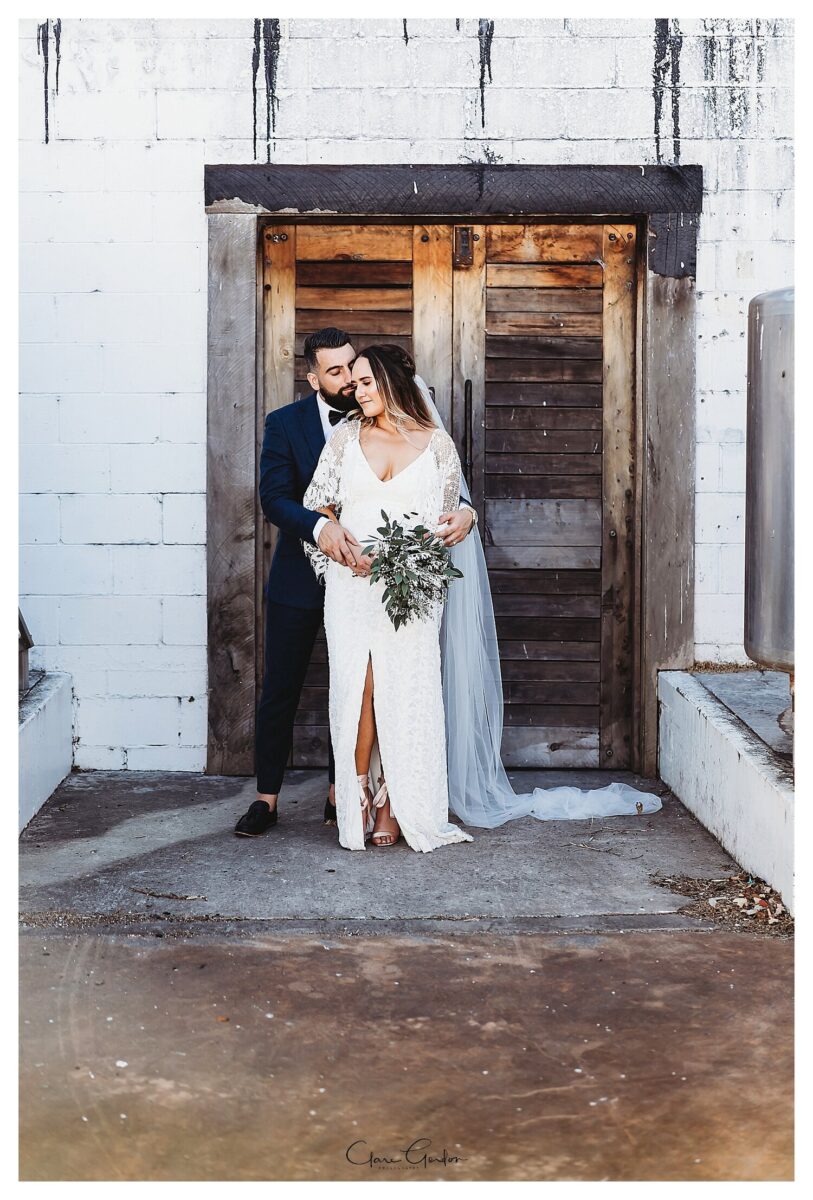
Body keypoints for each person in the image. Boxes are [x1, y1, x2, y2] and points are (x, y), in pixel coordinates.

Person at [234, 329, 476, 837]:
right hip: (308, 576)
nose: (349, 381)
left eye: (356, 370)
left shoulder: (422, 436)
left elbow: (439, 496)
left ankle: (346, 795)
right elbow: (276, 498)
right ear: (314, 378)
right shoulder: (288, 424)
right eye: (337, 372)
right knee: (289, 687)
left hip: (393, 582)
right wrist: (321, 529)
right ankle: (266, 798)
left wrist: (466, 514)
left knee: (376, 686)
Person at [302, 344, 474, 851]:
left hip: (411, 590)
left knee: (405, 687)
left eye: (366, 382)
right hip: (352, 585)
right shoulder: (345, 438)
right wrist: (341, 543)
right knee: (359, 686)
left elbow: (447, 519)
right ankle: (356, 794)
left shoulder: (437, 446)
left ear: (392, 380)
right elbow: (318, 507)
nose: (357, 392)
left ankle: (396, 801)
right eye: (353, 384)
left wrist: (463, 518)